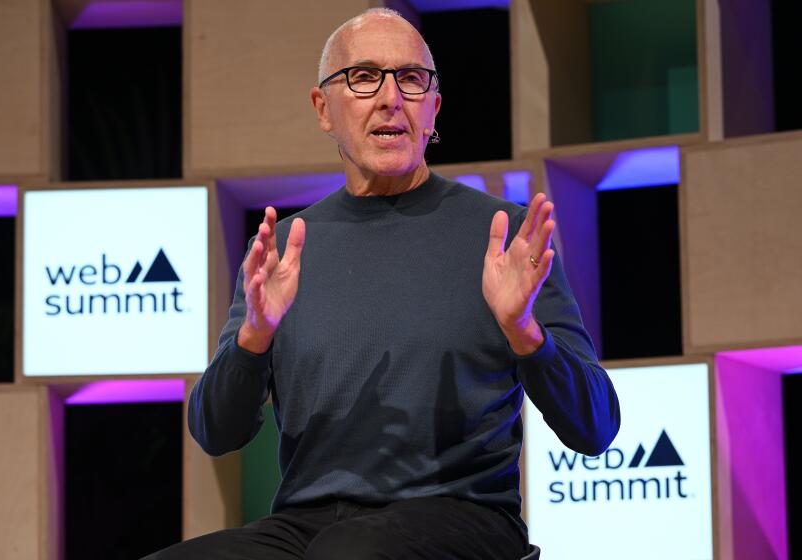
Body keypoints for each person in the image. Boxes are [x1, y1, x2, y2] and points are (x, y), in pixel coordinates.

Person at [145, 7, 619, 560]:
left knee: (351, 553)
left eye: (411, 79)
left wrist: (524, 332)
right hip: (308, 526)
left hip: (465, 515)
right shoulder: (288, 248)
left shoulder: (504, 237)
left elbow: (596, 427)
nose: (391, 97)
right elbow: (214, 432)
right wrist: (254, 338)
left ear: (433, 108)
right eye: (364, 77)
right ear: (324, 108)